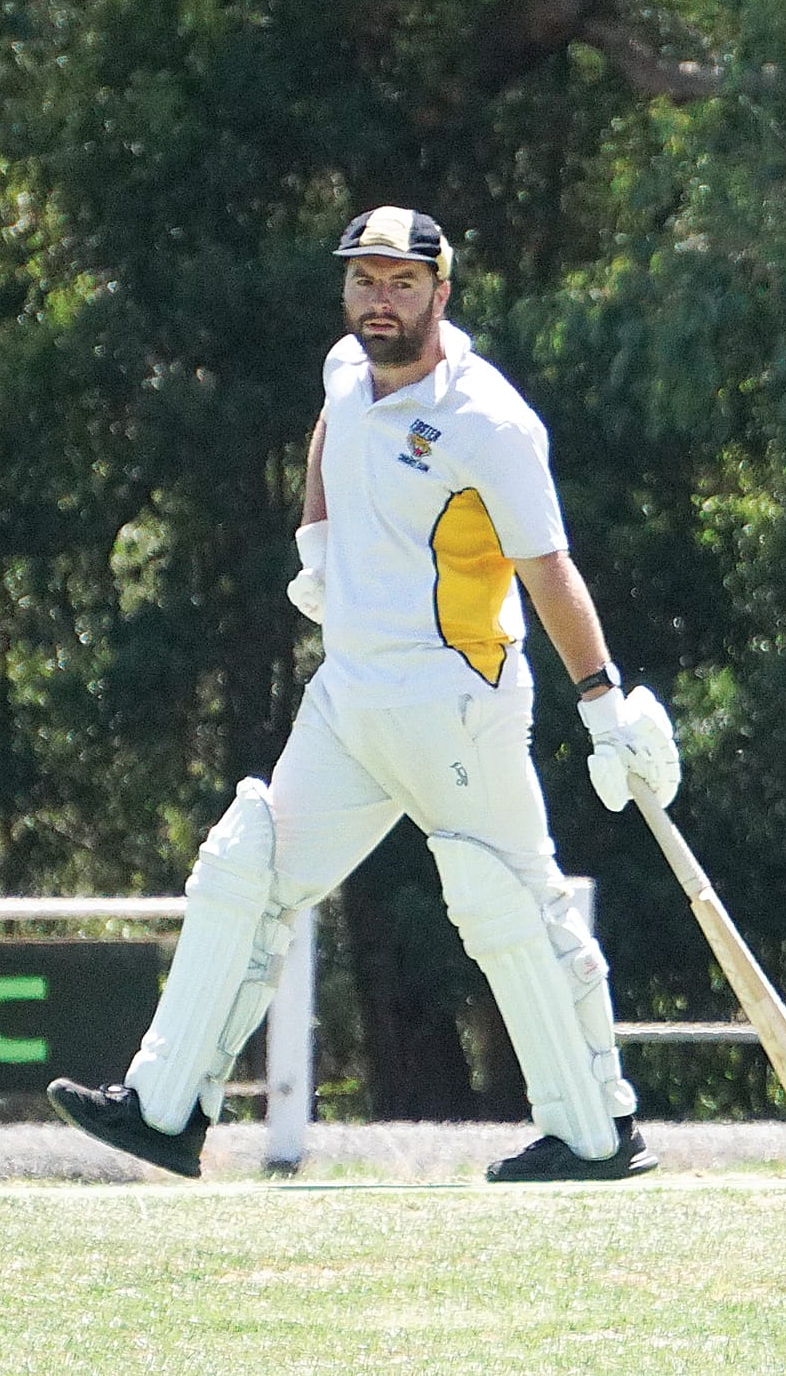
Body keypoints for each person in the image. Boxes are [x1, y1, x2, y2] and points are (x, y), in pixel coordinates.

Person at [49, 206, 680, 1182]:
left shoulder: (487, 419)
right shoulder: (349, 373)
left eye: (400, 282)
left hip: (455, 701)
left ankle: (595, 1134)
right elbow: (330, 433)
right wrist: (316, 543)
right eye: (363, 280)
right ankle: (165, 1110)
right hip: (348, 698)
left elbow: (548, 567)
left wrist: (599, 702)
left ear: (440, 290)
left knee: (508, 904)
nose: (378, 300)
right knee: (243, 866)